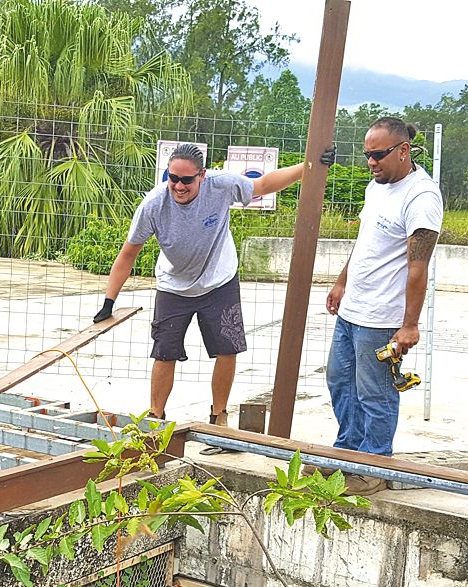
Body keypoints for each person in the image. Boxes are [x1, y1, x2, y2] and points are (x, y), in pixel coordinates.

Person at [92, 143, 334, 426]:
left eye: (186, 180)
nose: (178, 186)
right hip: (173, 286)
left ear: (202, 175)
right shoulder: (154, 205)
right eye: (173, 178)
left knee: (227, 348)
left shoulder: (221, 185)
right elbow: (128, 254)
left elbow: (263, 185)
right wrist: (109, 301)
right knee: (164, 351)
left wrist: (308, 166)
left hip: (219, 281)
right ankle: (156, 417)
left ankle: (219, 415)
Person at [323, 117, 442, 494]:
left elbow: (418, 267)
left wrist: (410, 325)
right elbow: (365, 242)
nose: (371, 162)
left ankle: (374, 464)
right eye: (367, 155)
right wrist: (342, 281)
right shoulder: (377, 187)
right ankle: (347, 453)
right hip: (353, 309)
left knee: (374, 393)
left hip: (381, 318)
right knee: (340, 381)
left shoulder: (421, 197)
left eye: (378, 155)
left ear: (403, 150)